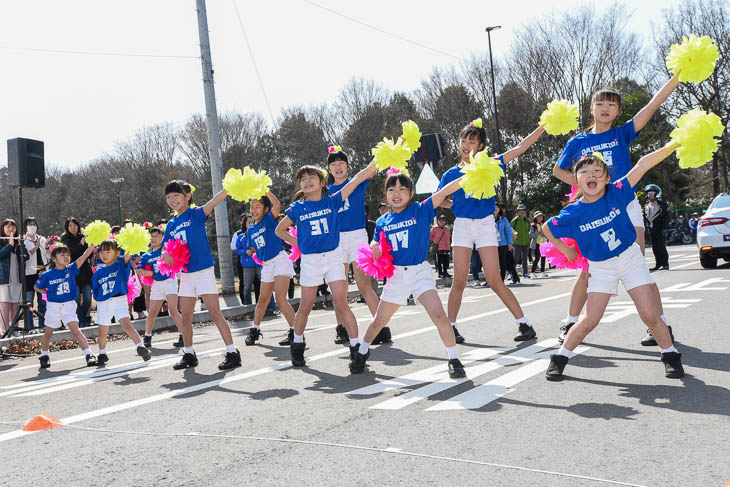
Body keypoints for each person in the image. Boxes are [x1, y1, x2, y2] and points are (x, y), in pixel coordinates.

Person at [552, 76, 679, 344]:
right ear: (592, 108)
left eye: (612, 105)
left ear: (618, 111)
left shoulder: (622, 133)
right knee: (587, 270)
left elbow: (653, 105)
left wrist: (677, 76)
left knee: (639, 266)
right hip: (593, 210)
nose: (605, 108)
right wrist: (589, 187)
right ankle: (571, 322)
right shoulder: (578, 141)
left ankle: (659, 324)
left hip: (625, 202)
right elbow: (558, 170)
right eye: (600, 103)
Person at [543, 147, 684, 381]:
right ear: (576, 181)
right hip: (600, 267)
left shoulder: (618, 191)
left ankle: (669, 355)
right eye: (585, 172)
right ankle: (560, 358)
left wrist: (674, 145)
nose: (591, 175)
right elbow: (547, 227)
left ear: (607, 178)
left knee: (650, 315)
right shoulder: (573, 212)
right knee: (590, 319)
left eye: (598, 171)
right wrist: (565, 250)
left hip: (630, 259)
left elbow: (642, 164)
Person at [350, 170, 467, 377]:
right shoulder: (382, 221)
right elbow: (375, 241)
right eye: (391, 189)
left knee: (439, 315)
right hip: (396, 277)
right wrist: (374, 245)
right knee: (379, 320)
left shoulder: (420, 210)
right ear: (385, 194)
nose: (396, 193)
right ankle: (362, 351)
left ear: (411, 193)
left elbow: (444, 192)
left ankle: (454, 358)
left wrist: (468, 174)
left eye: (402, 189)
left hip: (420, 273)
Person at [438, 119, 544, 343]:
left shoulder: (492, 164)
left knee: (495, 280)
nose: (466, 145)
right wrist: (455, 205)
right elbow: (440, 199)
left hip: (486, 225)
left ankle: (524, 324)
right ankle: (452, 328)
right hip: (463, 226)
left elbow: (520, 148)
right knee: (458, 282)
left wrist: (544, 125)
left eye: (472, 141)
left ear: (481, 146)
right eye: (463, 140)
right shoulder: (450, 174)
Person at [275, 161, 376, 368]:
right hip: (311, 262)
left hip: (333, 258)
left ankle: (356, 348)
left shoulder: (333, 201)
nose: (307, 182)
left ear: (322, 182)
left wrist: (378, 160)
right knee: (305, 306)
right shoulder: (297, 208)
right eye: (303, 179)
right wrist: (300, 244)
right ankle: (297, 343)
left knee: (341, 302)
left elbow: (357, 179)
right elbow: (279, 230)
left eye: (311, 178)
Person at [161, 180, 241, 371]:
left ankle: (232, 352)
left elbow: (214, 202)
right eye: (169, 197)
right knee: (186, 316)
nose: (173, 200)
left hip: (204, 271)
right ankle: (189, 354)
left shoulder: (195, 214)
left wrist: (230, 186)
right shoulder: (171, 224)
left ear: (187, 196)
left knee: (215, 313)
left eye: (176, 196)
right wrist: (166, 255)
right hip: (186, 275)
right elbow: (164, 248)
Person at [326, 148, 386, 345]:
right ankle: (340, 328)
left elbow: (371, 168)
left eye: (341, 164)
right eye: (333, 165)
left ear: (348, 166)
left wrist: (396, 145)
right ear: (329, 169)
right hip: (336, 241)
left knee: (364, 285)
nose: (338, 168)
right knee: (339, 287)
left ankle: (381, 328)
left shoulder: (356, 183)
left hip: (357, 237)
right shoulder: (325, 191)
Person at [242, 191, 297, 347]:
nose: (254, 210)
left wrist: (264, 189)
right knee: (263, 299)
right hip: (266, 265)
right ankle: (254, 330)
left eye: (258, 206)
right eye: (252, 206)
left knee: (280, 299)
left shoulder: (269, 219)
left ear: (266, 209)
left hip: (280, 260)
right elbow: (255, 247)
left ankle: (295, 332)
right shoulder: (250, 230)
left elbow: (277, 205)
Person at [35, 244, 98, 367]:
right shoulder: (47, 274)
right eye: (62, 255)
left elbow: (84, 257)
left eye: (68, 255)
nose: (66, 257)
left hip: (69, 305)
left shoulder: (71, 269)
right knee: (48, 333)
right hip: (54, 307)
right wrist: (47, 293)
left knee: (76, 331)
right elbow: (36, 287)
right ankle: (44, 355)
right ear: (54, 259)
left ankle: (89, 354)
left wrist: (91, 246)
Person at [92, 239, 151, 366]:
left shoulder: (120, 264)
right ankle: (102, 353)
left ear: (117, 253)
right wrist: (99, 298)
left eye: (108, 251)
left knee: (127, 324)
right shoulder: (98, 272)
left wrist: (130, 238)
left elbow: (128, 253)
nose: (104, 254)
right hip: (104, 303)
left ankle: (140, 346)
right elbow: (95, 288)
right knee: (102, 330)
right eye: (102, 252)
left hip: (120, 300)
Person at [136, 226, 183, 349]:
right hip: (156, 285)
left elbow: (174, 261)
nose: (154, 238)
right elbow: (139, 269)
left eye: (157, 236)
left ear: (162, 237)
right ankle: (147, 335)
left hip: (170, 281)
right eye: (152, 236)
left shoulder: (167, 248)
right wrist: (151, 274)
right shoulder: (147, 255)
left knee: (173, 310)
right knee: (152, 313)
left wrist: (166, 254)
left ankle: (183, 335)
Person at [60, 217, 93, 327]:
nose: (73, 227)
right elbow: (69, 254)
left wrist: (86, 244)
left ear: (78, 226)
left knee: (88, 299)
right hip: (72, 272)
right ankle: (83, 321)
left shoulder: (83, 237)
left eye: (74, 225)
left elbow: (90, 254)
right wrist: (80, 246)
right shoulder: (65, 240)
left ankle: (82, 318)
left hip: (85, 271)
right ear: (67, 228)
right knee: (77, 299)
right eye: (70, 225)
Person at [0, 219, 28, 335]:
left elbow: (25, 257)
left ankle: (14, 330)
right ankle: (4, 331)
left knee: (15, 306)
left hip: (17, 280)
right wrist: (10, 245)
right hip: (4, 279)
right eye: (8, 226)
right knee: (5, 305)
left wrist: (20, 244)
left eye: (13, 227)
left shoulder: (18, 242)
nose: (11, 229)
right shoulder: (1, 242)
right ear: (3, 229)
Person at [23, 217, 49, 332]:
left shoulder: (42, 239)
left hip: (42, 273)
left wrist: (46, 246)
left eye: (34, 224)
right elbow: (27, 257)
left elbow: (48, 256)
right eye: (30, 224)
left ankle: (43, 324)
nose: (32, 226)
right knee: (29, 301)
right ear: (25, 227)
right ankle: (30, 326)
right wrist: (36, 246)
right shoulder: (23, 240)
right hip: (29, 274)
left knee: (42, 300)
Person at [235, 214, 261, 306]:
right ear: (245, 224)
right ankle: (248, 307)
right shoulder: (241, 237)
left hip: (260, 264)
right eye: (249, 222)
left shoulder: (259, 233)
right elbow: (238, 250)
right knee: (247, 287)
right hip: (247, 266)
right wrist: (245, 252)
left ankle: (268, 306)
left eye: (253, 222)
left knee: (265, 285)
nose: (251, 224)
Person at [644, 184, 670, 271]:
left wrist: (665, 228)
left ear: (656, 194)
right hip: (651, 229)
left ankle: (665, 264)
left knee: (661, 246)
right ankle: (658, 264)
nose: (649, 195)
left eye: (652, 193)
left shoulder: (663, 204)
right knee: (654, 248)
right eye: (648, 193)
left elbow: (666, 217)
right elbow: (645, 218)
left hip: (660, 228)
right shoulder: (646, 206)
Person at [495, 204, 519, 284]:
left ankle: (501, 281)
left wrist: (510, 243)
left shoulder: (504, 219)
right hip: (491, 244)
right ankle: (491, 281)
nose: (495, 208)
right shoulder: (487, 219)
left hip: (502, 244)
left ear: (500, 209)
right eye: (493, 207)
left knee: (503, 263)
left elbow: (508, 232)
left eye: (497, 207)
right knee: (494, 263)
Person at [230, 213, 249, 305]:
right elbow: (233, 246)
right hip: (242, 261)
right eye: (244, 220)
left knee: (258, 282)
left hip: (256, 260)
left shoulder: (255, 230)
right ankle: (245, 303)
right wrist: (245, 248)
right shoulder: (238, 234)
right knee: (243, 283)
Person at [510, 204, 531, 278]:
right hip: (517, 243)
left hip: (526, 242)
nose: (521, 212)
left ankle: (525, 273)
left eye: (523, 210)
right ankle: (512, 274)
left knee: (525, 259)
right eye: (520, 210)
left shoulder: (527, 221)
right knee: (515, 259)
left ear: (525, 212)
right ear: (517, 212)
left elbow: (528, 230)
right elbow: (510, 231)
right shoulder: (514, 221)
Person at [529, 211, 548, 277]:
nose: (540, 218)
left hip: (544, 243)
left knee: (543, 257)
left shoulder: (544, 224)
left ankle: (542, 271)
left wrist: (545, 234)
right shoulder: (533, 226)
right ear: (535, 218)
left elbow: (547, 234)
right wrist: (539, 233)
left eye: (541, 216)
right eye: (538, 216)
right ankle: (532, 272)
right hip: (537, 243)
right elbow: (531, 235)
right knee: (537, 258)